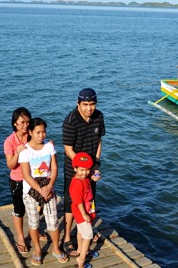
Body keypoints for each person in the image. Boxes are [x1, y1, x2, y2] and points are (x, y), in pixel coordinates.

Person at [19, 117, 69, 265]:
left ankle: (55, 248)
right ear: (30, 132)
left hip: (49, 190)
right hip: (31, 192)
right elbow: (26, 175)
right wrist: (40, 189)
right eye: (38, 132)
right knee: (34, 223)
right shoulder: (25, 151)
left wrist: (50, 185)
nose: (42, 135)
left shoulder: (49, 147)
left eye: (44, 132)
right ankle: (37, 249)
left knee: (53, 222)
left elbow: (54, 168)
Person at [62, 88, 104, 257]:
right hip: (74, 170)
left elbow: (99, 141)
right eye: (85, 104)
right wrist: (82, 169)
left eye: (92, 104)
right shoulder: (70, 121)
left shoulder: (99, 117)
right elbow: (68, 149)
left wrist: (95, 165)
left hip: (90, 168)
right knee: (71, 204)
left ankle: (86, 229)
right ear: (78, 103)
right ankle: (66, 239)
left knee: (89, 201)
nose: (89, 108)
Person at [4, 107, 36, 256]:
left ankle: (35, 231)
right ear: (15, 124)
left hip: (34, 178)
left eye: (28, 122)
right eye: (22, 122)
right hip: (18, 180)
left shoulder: (32, 135)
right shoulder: (9, 141)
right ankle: (21, 238)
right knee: (19, 210)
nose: (26, 125)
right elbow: (10, 165)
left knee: (35, 208)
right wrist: (18, 152)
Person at [70, 152, 99, 268]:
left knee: (81, 232)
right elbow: (78, 202)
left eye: (87, 170)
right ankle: (81, 260)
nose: (84, 173)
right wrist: (84, 214)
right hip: (81, 212)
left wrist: (93, 177)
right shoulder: (76, 183)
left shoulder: (85, 178)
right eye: (81, 170)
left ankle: (81, 250)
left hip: (85, 211)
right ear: (75, 168)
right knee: (88, 235)